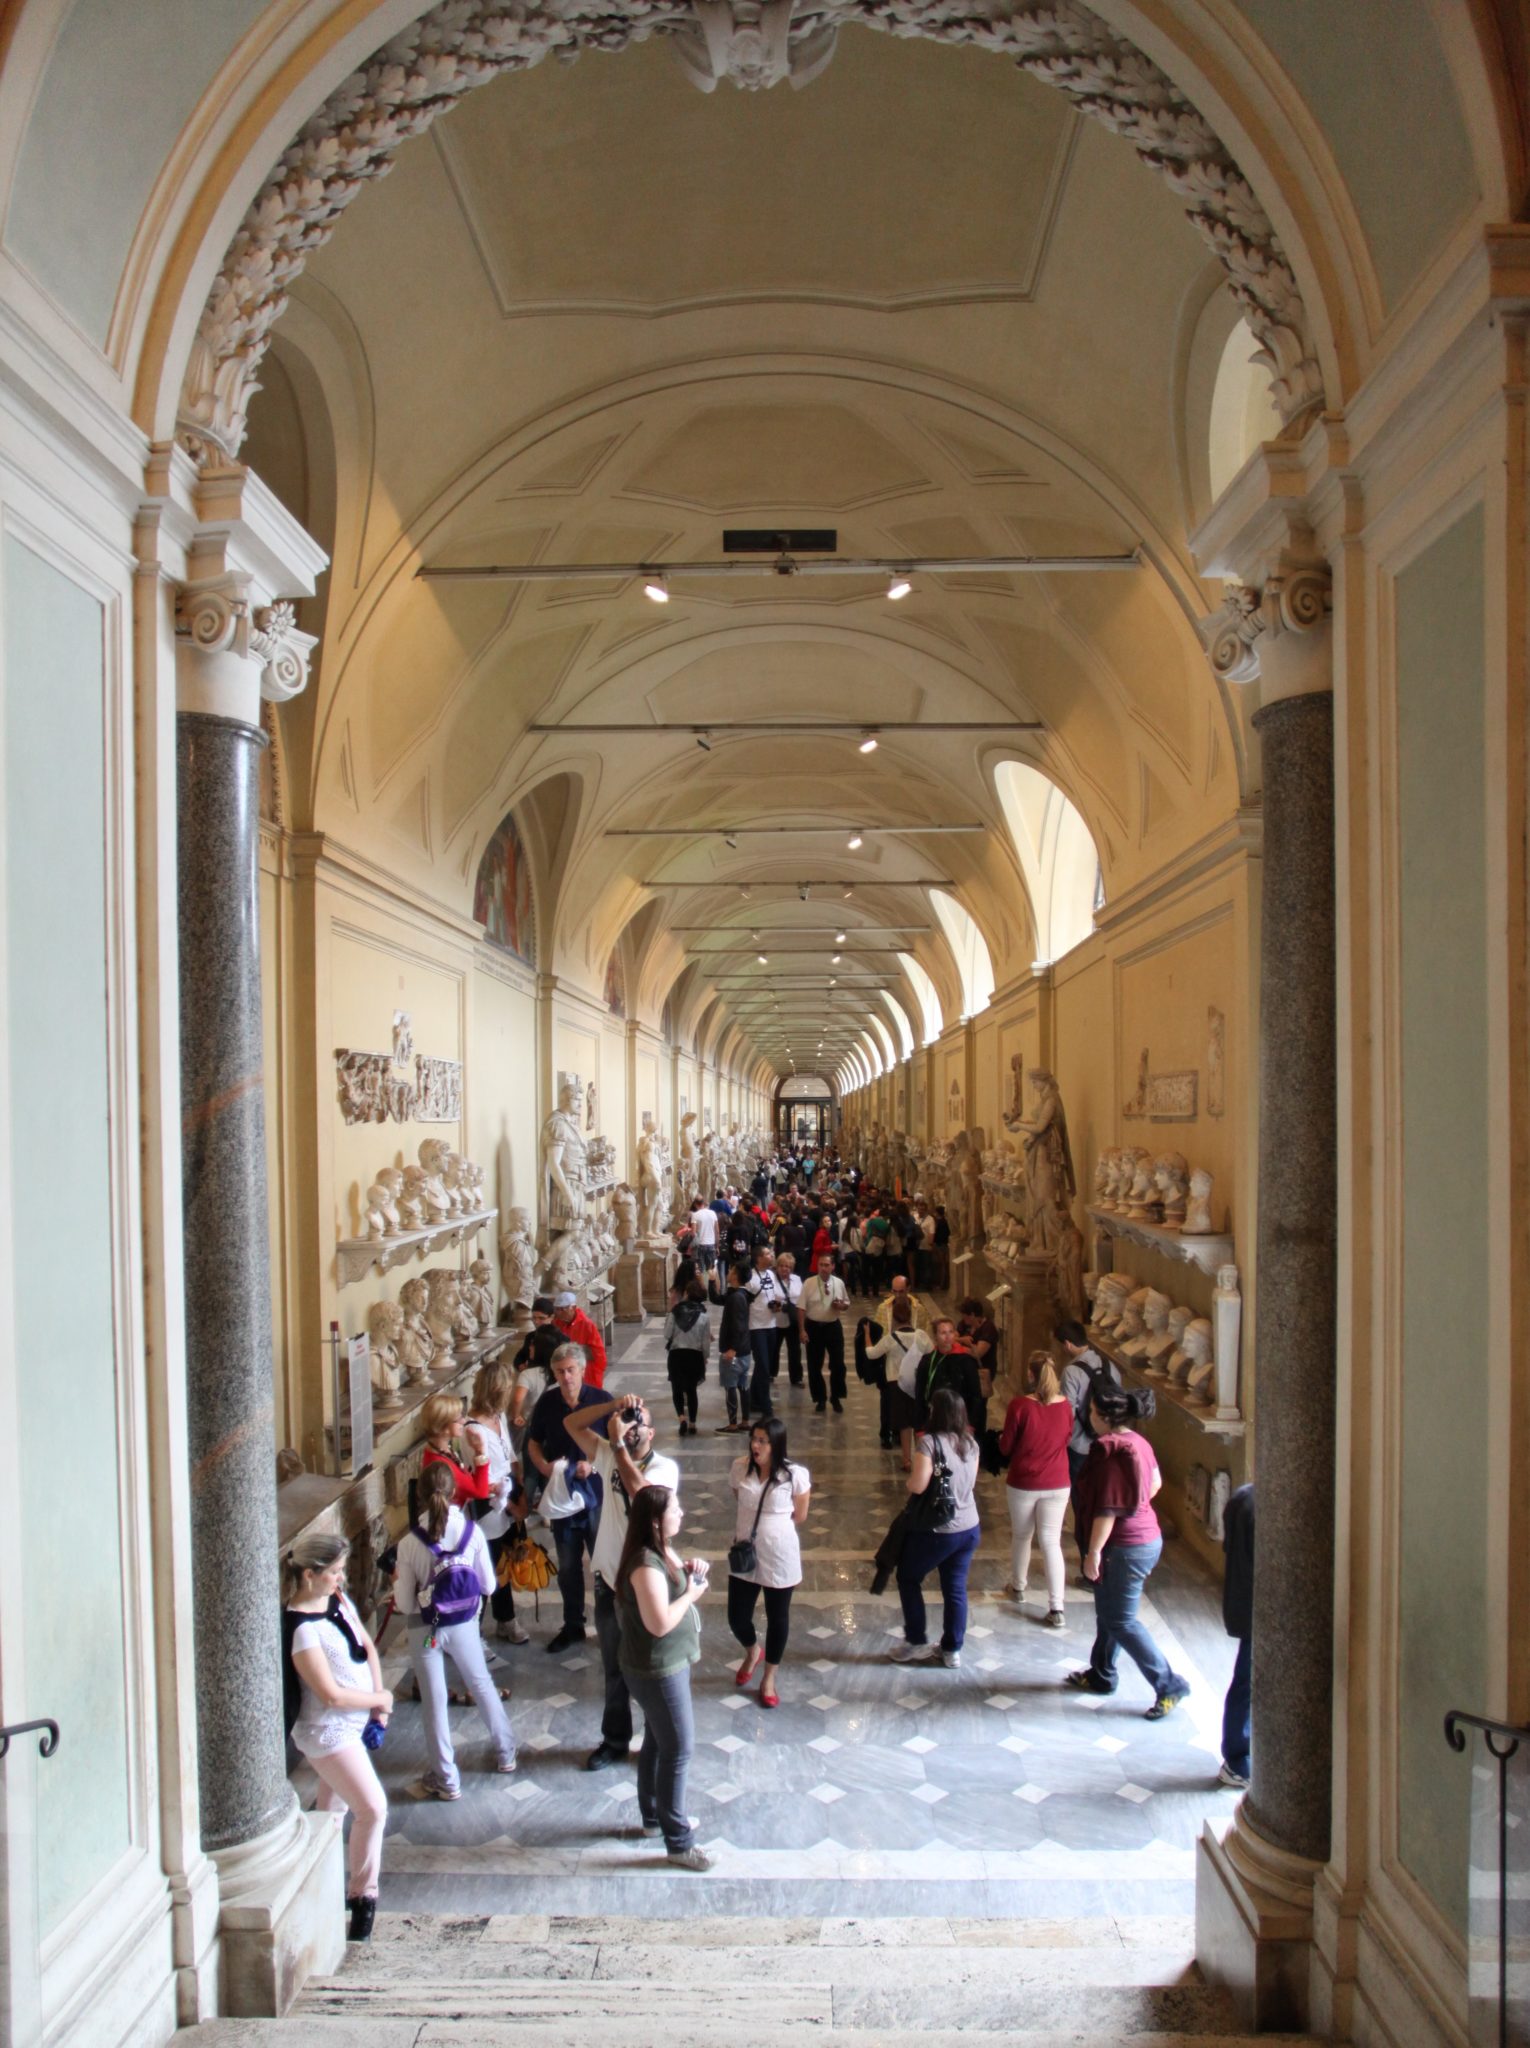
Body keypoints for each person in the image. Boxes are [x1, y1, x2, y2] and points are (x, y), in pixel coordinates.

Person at [282, 1534, 391, 1942]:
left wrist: (379, 1706)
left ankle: (320, 1886)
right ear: (309, 1575)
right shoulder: (302, 1629)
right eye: (334, 1572)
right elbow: (330, 1695)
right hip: (328, 1734)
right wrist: (380, 1698)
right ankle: (363, 1898)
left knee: (332, 1813)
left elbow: (367, 1648)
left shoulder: (337, 1600)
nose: (341, 1579)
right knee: (373, 1809)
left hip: (354, 1725)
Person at [564, 1395, 681, 1773]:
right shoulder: (607, 1453)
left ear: (652, 1432)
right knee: (614, 1668)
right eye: (626, 1419)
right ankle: (615, 1740)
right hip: (609, 1581)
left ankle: (656, 1742)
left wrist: (616, 1444)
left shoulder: (664, 1468)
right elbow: (572, 1424)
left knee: (649, 1669)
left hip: (646, 1585)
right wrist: (611, 1405)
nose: (631, 1427)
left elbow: (642, 1494)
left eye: (637, 1421)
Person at [395, 1462, 519, 1798]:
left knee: (434, 1700)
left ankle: (446, 1778)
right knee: (481, 1683)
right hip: (464, 1621)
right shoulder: (471, 1532)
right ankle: (506, 1752)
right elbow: (489, 1586)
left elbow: (405, 1603)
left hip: (424, 1627)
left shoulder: (409, 1543)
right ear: (454, 1494)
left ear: (420, 1497)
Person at [1066, 1383, 1190, 1717]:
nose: (1088, 1415)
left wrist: (1093, 1552)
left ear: (1104, 1417)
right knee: (1109, 1612)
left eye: (1092, 1411)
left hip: (1124, 1546)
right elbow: (1155, 1483)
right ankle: (1102, 1673)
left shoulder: (1111, 1453)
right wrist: (1136, 1506)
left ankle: (1169, 1684)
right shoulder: (1138, 1443)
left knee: (1121, 1620)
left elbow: (1107, 1510)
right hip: (1144, 1538)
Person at [616, 1483, 712, 1870]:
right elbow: (658, 1624)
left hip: (669, 1663)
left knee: (658, 1741)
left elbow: (671, 1584)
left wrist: (690, 1570)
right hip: (657, 1669)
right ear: (656, 1521)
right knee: (678, 1749)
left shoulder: (661, 1549)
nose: (682, 1513)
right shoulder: (644, 1563)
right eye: (675, 1509)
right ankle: (679, 1841)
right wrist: (691, 1595)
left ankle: (654, 1817)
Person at [524, 1342, 615, 1649]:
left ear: (582, 1370)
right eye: (560, 1372)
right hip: (563, 1497)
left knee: (603, 1563)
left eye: (571, 1370)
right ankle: (573, 1624)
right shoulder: (548, 1403)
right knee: (567, 1566)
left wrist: (594, 1465)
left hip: (596, 1496)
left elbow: (617, 1447)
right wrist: (543, 1467)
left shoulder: (601, 1400)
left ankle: (608, 1625)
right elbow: (534, 1442)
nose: (566, 1377)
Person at [892, 1388, 982, 1668]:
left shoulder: (929, 1443)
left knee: (908, 1576)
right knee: (955, 1587)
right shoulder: (970, 1443)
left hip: (940, 1528)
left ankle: (916, 1641)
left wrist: (908, 1482)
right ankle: (952, 1649)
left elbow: (918, 1485)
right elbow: (971, 1483)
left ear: (936, 1412)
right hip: (969, 1526)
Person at [727, 1417, 811, 1707]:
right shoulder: (740, 1468)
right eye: (754, 1439)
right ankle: (753, 1650)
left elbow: (800, 1515)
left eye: (762, 1441)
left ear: (776, 1445)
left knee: (778, 1617)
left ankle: (769, 1676)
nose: (755, 1445)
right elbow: (740, 1498)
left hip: (780, 1554)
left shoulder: (794, 1475)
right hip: (746, 1552)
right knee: (737, 1617)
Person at [997, 1350, 1074, 1625]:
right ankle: (1057, 1607)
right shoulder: (1066, 1406)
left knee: (1022, 1535)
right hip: (1058, 1481)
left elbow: (1006, 1446)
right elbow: (1067, 1437)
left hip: (1024, 1481)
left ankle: (1018, 1586)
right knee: (1052, 1542)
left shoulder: (1020, 1406)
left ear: (1030, 1374)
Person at [465, 1357, 530, 1645]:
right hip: (489, 1509)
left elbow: (509, 1453)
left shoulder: (497, 1417)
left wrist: (520, 1485)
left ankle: (506, 1619)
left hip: (508, 1498)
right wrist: (512, 1507)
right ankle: (473, 1631)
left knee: (503, 1565)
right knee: (485, 1570)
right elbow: (485, 1480)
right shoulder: (473, 1430)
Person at [1057, 1318, 1121, 1569]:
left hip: (1080, 1446)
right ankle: (1106, 1556)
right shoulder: (1110, 1365)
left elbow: (1067, 1413)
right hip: (1108, 1444)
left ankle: (1088, 1558)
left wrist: (1062, 1443)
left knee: (1083, 1504)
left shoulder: (1072, 1371)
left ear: (1067, 1344)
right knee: (1105, 1500)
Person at [1219, 1482, 1254, 1788]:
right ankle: (1237, 1760)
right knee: (1247, 1681)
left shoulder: (1243, 1497)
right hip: (1259, 1608)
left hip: (1242, 1601)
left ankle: (1239, 1755)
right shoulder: (1260, 1507)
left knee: (1246, 1680)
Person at [419, 1390, 492, 1505]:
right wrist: (480, 1452)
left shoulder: (439, 1449)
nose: (463, 1421)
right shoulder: (441, 1463)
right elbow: (480, 1494)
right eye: (458, 1419)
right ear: (443, 1426)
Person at [799, 1251, 850, 1413]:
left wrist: (841, 1306)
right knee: (814, 1366)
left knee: (838, 1364)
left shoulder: (839, 1283)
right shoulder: (809, 1283)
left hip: (833, 1326)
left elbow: (846, 1303)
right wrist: (802, 1330)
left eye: (826, 1265)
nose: (823, 1268)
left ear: (833, 1266)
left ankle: (836, 1397)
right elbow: (801, 1307)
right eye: (820, 1265)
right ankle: (820, 1398)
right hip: (813, 1327)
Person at [925, 1316, 989, 1436]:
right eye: (943, 1333)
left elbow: (976, 1395)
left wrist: (971, 1424)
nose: (948, 1336)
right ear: (935, 1336)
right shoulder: (927, 1361)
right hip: (936, 1420)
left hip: (961, 1420)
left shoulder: (966, 1361)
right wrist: (920, 1428)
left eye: (951, 1332)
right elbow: (921, 1393)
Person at [663, 1275, 711, 1434]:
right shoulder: (704, 1317)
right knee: (691, 1390)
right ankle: (692, 1423)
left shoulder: (674, 1313)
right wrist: (705, 1357)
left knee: (676, 1388)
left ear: (687, 1294)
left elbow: (667, 1334)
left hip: (676, 1355)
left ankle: (682, 1418)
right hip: (694, 1356)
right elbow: (705, 1342)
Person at [744, 1244, 788, 1418]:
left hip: (771, 1324)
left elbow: (772, 1295)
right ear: (759, 1258)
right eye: (768, 1254)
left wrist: (777, 1306)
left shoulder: (770, 1274)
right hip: (756, 1326)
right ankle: (765, 1404)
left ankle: (753, 1400)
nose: (771, 1256)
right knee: (762, 1365)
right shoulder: (750, 1278)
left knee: (765, 1365)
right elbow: (744, 1303)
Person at [710, 1258, 754, 1431]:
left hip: (735, 1350)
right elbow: (716, 1299)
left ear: (735, 1276)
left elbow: (738, 1325)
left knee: (730, 1387)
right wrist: (712, 1280)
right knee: (743, 1386)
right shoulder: (738, 1294)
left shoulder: (736, 1298)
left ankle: (733, 1424)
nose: (728, 1272)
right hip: (744, 1349)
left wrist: (732, 1348)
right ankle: (745, 1421)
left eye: (731, 1270)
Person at [551, 1288, 608, 1389]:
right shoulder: (556, 1323)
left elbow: (598, 1352)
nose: (559, 1313)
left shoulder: (587, 1324)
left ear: (573, 1308)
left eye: (562, 1309)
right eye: (557, 1309)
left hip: (586, 1369)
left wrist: (597, 1372)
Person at [775, 1250, 804, 1386]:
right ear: (777, 1266)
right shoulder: (772, 1279)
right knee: (774, 1349)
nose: (784, 1269)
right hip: (776, 1320)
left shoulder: (796, 1279)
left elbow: (802, 1297)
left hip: (793, 1320)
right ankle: (771, 1373)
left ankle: (796, 1378)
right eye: (782, 1266)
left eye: (787, 1266)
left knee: (795, 1350)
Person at [689, 1197, 718, 1274]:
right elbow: (717, 1231)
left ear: (695, 1204)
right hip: (711, 1244)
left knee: (700, 1270)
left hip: (700, 1245)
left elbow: (693, 1233)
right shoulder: (713, 1213)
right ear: (704, 1203)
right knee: (711, 1269)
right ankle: (711, 1281)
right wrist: (717, 1246)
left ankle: (702, 1281)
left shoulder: (695, 1215)